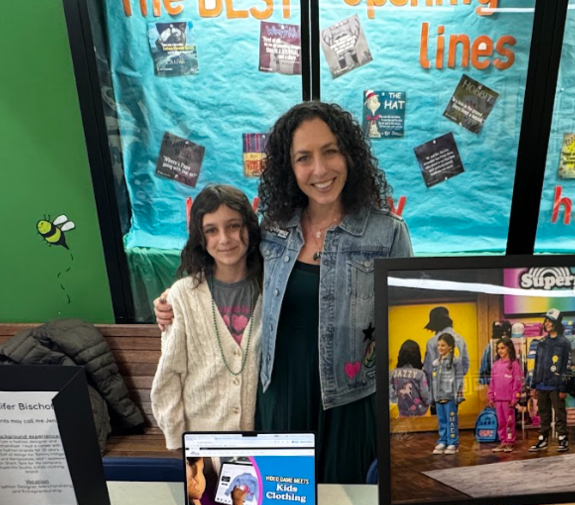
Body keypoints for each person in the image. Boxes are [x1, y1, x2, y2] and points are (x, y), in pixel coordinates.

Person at [158, 102, 412, 483]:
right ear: (289, 168)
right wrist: (172, 299)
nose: (320, 169)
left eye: (330, 151)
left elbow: (403, 318)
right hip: (281, 394)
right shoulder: (275, 229)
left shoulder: (388, 233)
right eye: (304, 158)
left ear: (350, 154)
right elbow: (227, 264)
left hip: (352, 400)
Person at [150, 184, 263, 450]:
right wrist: (179, 441)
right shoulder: (182, 296)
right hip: (203, 441)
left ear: (249, 226)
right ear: (200, 237)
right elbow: (169, 376)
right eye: (211, 230)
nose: (224, 239)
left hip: (263, 439)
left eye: (234, 226)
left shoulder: (272, 289)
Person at [529, 309, 571, 453]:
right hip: (541, 385)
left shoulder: (564, 343)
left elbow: (568, 365)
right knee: (543, 413)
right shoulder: (541, 342)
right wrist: (534, 385)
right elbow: (537, 365)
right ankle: (542, 439)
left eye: (549, 320)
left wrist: (564, 387)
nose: (546, 323)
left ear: (556, 323)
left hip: (556, 385)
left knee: (559, 413)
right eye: (545, 321)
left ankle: (563, 439)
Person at [488, 337, 523, 453]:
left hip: (509, 401)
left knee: (509, 422)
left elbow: (517, 383)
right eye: (498, 348)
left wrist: (515, 398)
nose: (500, 351)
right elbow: (492, 382)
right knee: (501, 422)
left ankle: (509, 441)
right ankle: (503, 441)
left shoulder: (514, 365)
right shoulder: (496, 365)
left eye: (502, 348)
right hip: (498, 400)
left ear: (508, 348)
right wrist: (491, 396)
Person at [431, 332, 463, 454]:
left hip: (450, 397)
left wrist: (458, 395)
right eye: (438, 345)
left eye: (443, 345)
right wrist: (433, 396)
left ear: (450, 346)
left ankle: (453, 442)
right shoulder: (435, 363)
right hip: (439, 397)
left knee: (451, 420)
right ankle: (443, 440)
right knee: (442, 420)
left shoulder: (455, 361)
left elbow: (459, 378)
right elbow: (433, 380)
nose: (440, 348)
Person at [423, 307, 469, 386]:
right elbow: (465, 364)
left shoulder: (432, 342)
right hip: (456, 387)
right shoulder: (461, 339)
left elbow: (429, 369)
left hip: (438, 389)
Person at [389, 340, 431, 418]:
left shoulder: (393, 373)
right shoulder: (420, 374)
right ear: (417, 356)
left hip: (402, 411)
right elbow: (425, 394)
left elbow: (391, 394)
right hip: (420, 413)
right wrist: (430, 402)